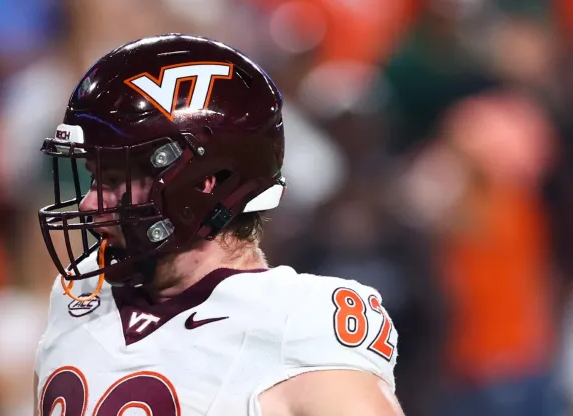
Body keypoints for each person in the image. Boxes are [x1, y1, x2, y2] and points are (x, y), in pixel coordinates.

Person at [33, 34, 402, 416]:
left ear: (203, 182)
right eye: (94, 178)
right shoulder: (79, 293)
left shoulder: (298, 320)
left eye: (113, 179)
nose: (90, 202)